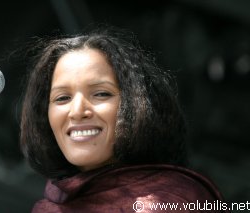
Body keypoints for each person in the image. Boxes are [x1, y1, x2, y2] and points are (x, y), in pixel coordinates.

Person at [19, 26, 230, 213]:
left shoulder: (167, 202)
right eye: (62, 98)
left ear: (137, 106)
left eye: (101, 94)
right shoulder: (51, 204)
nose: (77, 111)